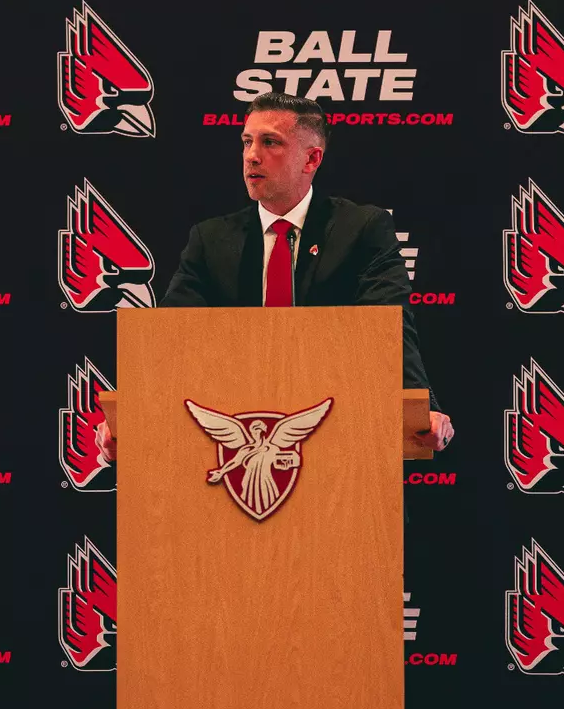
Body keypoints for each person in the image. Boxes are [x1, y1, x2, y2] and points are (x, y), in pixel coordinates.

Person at [98, 92, 452, 461]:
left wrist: (419, 407)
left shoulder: (361, 229)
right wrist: (130, 422)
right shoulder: (212, 240)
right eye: (247, 142)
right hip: (239, 433)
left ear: (312, 158)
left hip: (340, 436)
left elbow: (389, 329)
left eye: (270, 142)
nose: (252, 155)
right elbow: (172, 341)